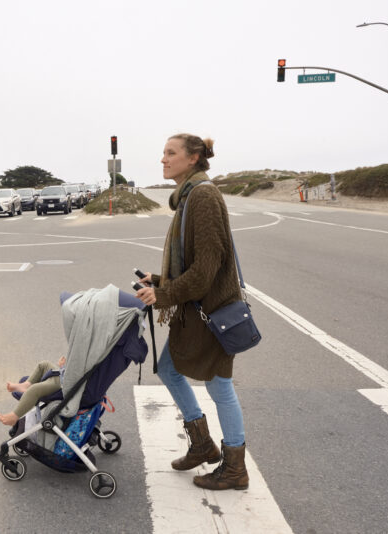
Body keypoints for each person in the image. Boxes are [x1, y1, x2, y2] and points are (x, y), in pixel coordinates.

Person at [135, 133, 249, 491]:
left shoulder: (203, 196)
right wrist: (160, 278)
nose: (163, 159)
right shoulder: (187, 196)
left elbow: (207, 267)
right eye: (163, 153)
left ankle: (234, 467)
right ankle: (202, 444)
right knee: (168, 368)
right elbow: (193, 261)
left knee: (220, 386)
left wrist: (164, 293)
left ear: (193, 157)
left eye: (171, 153)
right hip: (195, 309)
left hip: (210, 311)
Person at [0, 355, 66, 426]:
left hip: (63, 387)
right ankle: (26, 385)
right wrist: (63, 367)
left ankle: (14, 416)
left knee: (34, 389)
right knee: (43, 365)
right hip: (63, 377)